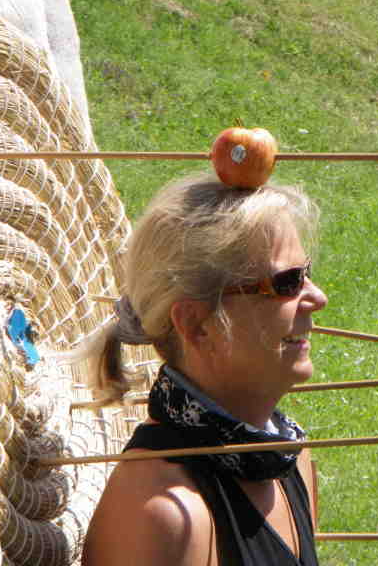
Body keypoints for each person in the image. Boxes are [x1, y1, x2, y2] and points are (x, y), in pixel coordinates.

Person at [81, 172, 328, 566]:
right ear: (197, 325)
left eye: (307, 273)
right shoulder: (164, 514)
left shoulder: (288, 459)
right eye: (287, 282)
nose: (318, 298)